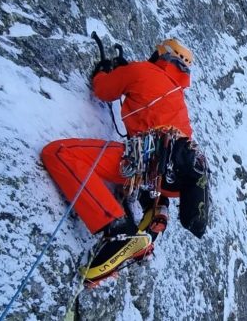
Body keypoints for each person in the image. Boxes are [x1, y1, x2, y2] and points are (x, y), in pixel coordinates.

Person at [41, 38, 209, 284]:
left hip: (143, 161)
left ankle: (116, 227)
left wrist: (105, 73)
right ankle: (155, 215)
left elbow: (103, 90)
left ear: (160, 53)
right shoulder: (178, 99)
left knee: (59, 153)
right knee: (146, 172)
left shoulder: (141, 70)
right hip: (169, 177)